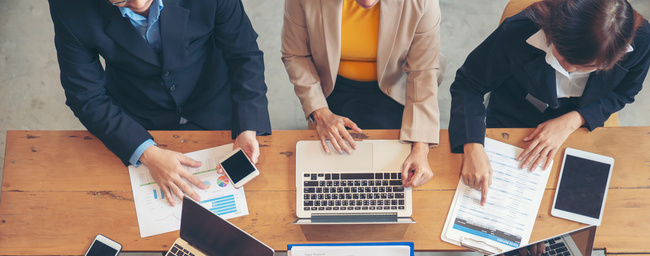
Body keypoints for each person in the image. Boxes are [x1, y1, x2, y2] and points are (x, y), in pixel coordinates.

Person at [48, 0, 272, 206]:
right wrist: (146, 153)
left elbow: (244, 53)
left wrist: (247, 125)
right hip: (138, 118)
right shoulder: (69, 6)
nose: (136, 3)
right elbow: (86, 95)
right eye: (121, 0)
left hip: (216, 103)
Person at [448, 0, 650, 205]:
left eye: (587, 66)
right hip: (514, 112)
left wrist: (574, 120)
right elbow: (469, 84)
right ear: (554, 32)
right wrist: (472, 146)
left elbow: (625, 92)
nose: (569, 71)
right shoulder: (520, 29)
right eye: (563, 57)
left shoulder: (640, 41)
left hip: (582, 123)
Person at [281, 0, 445, 187]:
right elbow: (296, 55)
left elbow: (423, 72)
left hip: (396, 87)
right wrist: (320, 112)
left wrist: (421, 147)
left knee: (392, 172)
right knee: (329, 176)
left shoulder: (422, 2)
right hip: (332, 85)